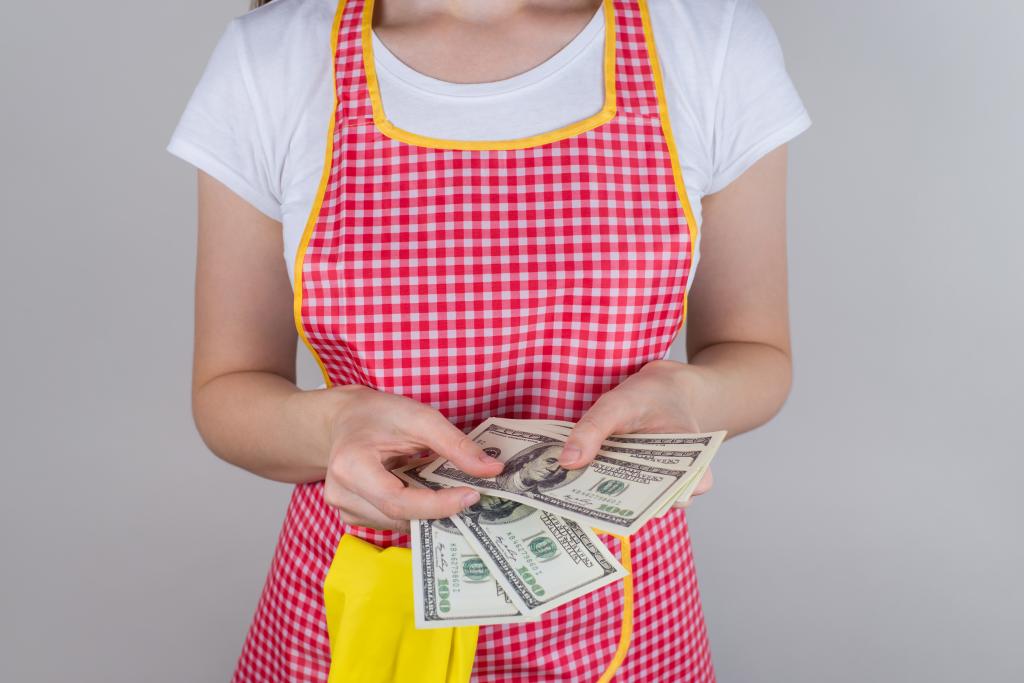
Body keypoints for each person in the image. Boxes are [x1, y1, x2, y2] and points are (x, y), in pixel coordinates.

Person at [165, 0, 811, 680]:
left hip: (625, 616)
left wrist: (690, 398)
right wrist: (332, 428)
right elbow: (226, 393)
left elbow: (756, 353)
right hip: (364, 620)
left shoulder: (710, 43)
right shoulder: (271, 60)